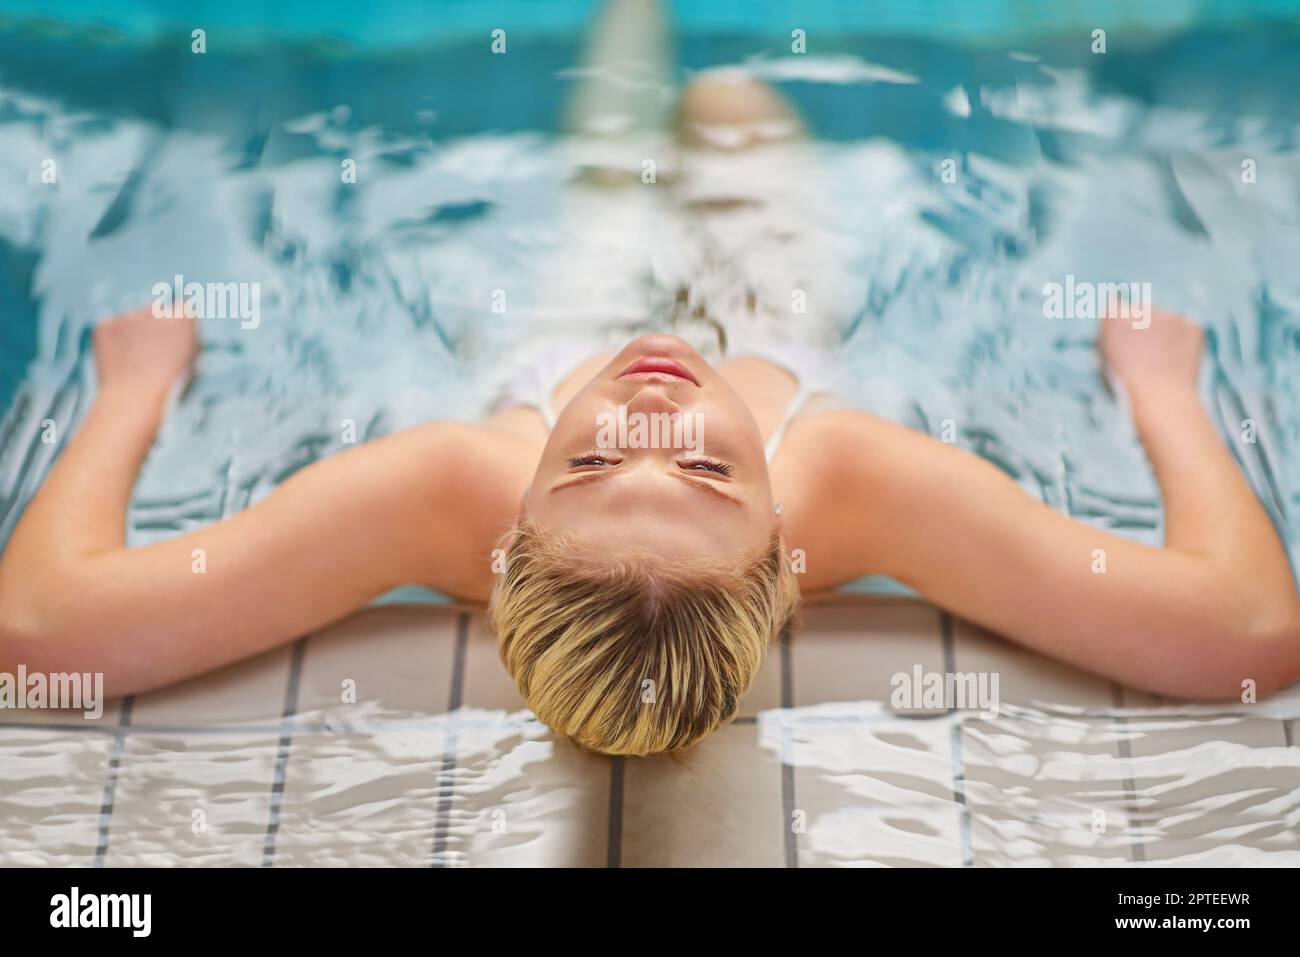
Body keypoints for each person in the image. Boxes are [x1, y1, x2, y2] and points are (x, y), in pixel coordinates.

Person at [1, 4, 1297, 757]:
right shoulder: (845, 480)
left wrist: (128, 395)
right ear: (787, 553)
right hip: (778, 317)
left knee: (612, 134)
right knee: (736, 104)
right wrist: (1166, 398)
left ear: (510, 542)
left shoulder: (454, 489)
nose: (649, 408)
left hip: (561, 306)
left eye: (590, 458)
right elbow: (1243, 631)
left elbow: (48, 628)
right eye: (706, 467)